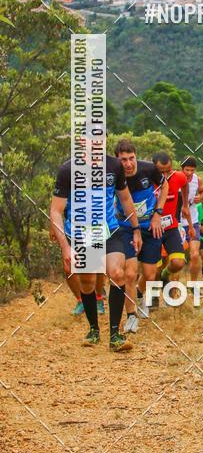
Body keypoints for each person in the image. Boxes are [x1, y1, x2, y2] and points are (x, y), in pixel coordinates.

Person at [50, 148, 142, 351]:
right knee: (88, 281)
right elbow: (56, 210)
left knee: (117, 273)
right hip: (81, 234)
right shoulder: (68, 170)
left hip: (109, 230)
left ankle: (115, 335)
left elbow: (125, 199)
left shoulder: (114, 165)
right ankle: (93, 329)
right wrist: (65, 246)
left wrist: (136, 228)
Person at [114, 139, 169, 332]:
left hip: (150, 226)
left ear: (136, 156)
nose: (128, 164)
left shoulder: (149, 169)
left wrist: (158, 214)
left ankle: (139, 294)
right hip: (125, 227)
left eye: (131, 158)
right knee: (129, 273)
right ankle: (131, 316)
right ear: (117, 159)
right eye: (123, 160)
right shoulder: (114, 173)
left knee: (149, 273)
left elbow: (165, 186)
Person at [151, 152, 194, 289]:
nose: (164, 176)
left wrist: (185, 205)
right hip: (152, 229)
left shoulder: (179, 177)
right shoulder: (146, 181)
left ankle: (165, 275)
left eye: (168, 171)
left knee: (178, 263)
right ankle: (153, 298)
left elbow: (185, 185)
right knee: (153, 270)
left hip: (171, 227)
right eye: (160, 172)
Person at [50, 222, 107, 314]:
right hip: (71, 230)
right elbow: (55, 209)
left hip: (94, 227)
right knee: (69, 268)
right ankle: (81, 301)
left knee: (97, 265)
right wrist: (53, 226)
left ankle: (98, 298)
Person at [180, 156, 203, 282]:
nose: (189, 173)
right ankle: (173, 291)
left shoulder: (197, 179)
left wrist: (200, 197)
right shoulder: (174, 179)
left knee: (195, 255)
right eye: (187, 170)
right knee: (177, 259)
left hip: (193, 221)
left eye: (192, 170)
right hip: (177, 223)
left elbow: (202, 192)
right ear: (181, 168)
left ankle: (193, 284)